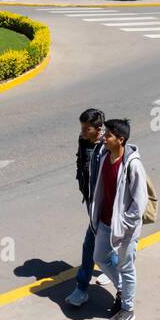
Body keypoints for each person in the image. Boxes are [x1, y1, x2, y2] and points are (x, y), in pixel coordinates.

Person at [89, 118, 148, 320]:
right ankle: (121, 288)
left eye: (109, 135)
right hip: (105, 222)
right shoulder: (105, 156)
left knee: (126, 267)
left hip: (126, 228)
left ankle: (127, 310)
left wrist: (123, 224)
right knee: (100, 257)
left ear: (120, 140)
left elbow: (140, 202)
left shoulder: (133, 165)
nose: (104, 137)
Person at [64, 108, 109, 308]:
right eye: (81, 127)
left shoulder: (108, 144)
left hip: (106, 204)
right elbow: (80, 162)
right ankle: (108, 270)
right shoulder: (83, 140)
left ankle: (82, 288)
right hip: (91, 200)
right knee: (103, 242)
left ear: (98, 129)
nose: (82, 131)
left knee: (90, 244)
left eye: (86, 128)